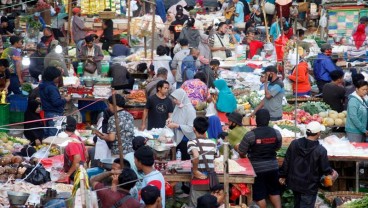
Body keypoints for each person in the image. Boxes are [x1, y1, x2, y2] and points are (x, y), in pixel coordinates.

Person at [279, 121, 338, 208]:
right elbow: (325, 169)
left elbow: (287, 161)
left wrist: (282, 175)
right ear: (318, 133)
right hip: (309, 186)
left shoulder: (295, 143)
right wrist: (332, 172)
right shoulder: (320, 150)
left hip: (295, 183)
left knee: (297, 204)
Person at [236, 109, 282, 208]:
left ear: (256, 120)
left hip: (257, 169)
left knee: (259, 194)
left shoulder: (251, 135)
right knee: (274, 191)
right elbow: (278, 147)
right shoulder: (276, 133)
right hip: (273, 167)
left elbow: (241, 151)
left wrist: (245, 156)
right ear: (268, 120)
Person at [187, 117, 217, 207]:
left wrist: (195, 171)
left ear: (194, 128)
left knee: (196, 204)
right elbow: (216, 157)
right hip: (211, 181)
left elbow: (196, 156)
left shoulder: (191, 142)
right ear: (206, 129)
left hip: (199, 180)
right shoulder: (212, 143)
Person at [39, 66, 71, 137]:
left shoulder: (42, 85)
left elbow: (49, 98)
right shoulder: (51, 88)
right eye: (57, 77)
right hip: (55, 114)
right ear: (53, 77)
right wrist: (66, 99)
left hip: (47, 113)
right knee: (54, 136)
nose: (58, 78)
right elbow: (56, 102)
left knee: (47, 134)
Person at [167, 89, 196, 160]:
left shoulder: (190, 110)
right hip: (177, 137)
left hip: (186, 140)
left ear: (182, 98)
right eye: (173, 98)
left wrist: (177, 126)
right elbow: (174, 117)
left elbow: (191, 127)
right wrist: (170, 120)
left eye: (175, 99)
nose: (174, 100)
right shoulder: (178, 106)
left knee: (184, 161)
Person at [61, 116, 88, 181]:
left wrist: (68, 174)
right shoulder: (77, 138)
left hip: (75, 175)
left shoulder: (71, 142)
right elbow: (86, 154)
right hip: (81, 171)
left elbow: (77, 160)